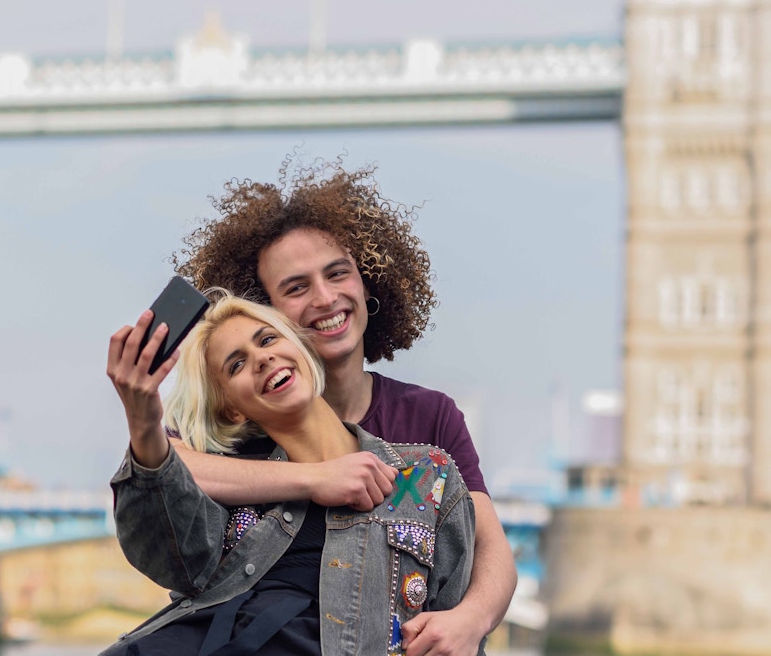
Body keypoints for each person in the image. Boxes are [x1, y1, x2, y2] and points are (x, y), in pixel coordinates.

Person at [165, 163, 516, 656]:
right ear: (264, 311)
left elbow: (490, 546)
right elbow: (162, 474)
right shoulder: (233, 422)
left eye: (337, 273)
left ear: (368, 282)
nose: (326, 297)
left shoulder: (430, 416)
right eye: (296, 287)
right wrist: (316, 479)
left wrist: (471, 621)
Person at [105, 293, 476, 655]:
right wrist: (143, 423)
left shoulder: (424, 475)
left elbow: (453, 630)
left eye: (268, 339)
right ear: (233, 410)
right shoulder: (233, 488)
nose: (262, 358)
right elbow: (167, 552)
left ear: (302, 348)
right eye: (236, 365)